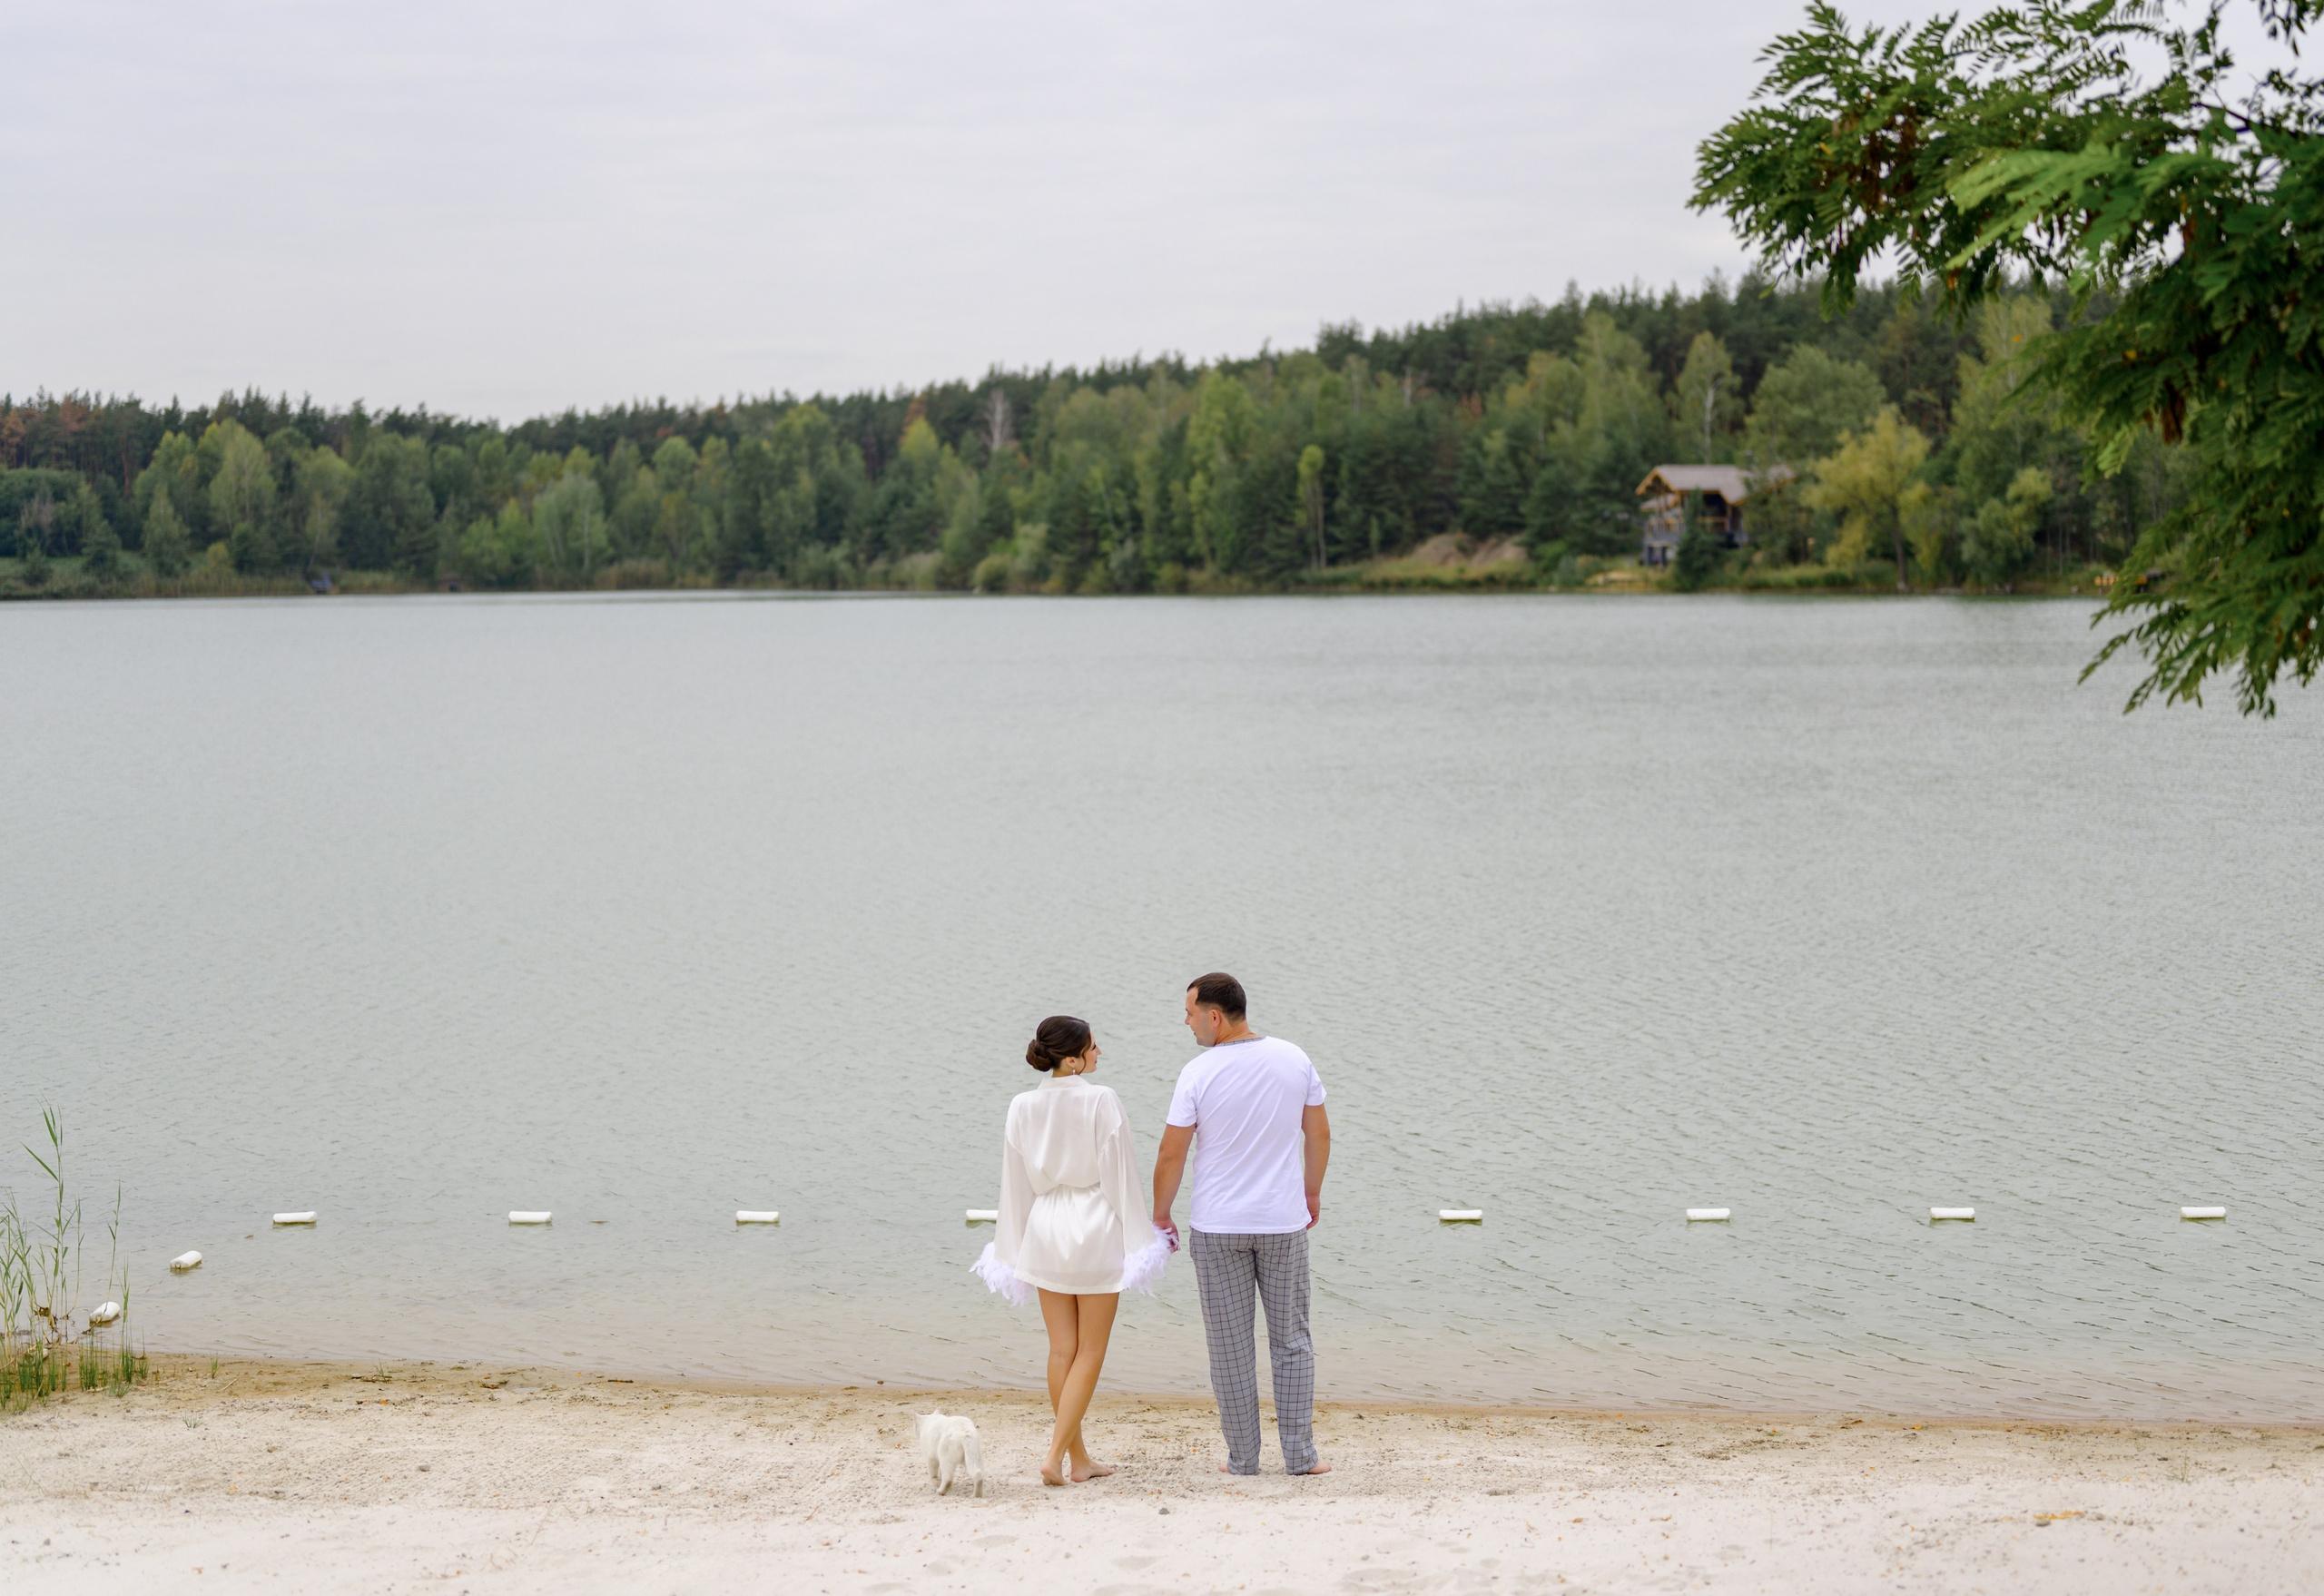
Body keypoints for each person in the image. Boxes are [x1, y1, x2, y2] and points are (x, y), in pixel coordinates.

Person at [972, 1014, 1170, 1486]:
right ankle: (1055, 1455)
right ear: (1073, 1059)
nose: (1100, 1053)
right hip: (1095, 1226)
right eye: (1094, 1046)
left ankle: (1078, 1459)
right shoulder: (1102, 1099)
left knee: (1062, 1349)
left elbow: (1014, 1185)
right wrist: (1142, 1240)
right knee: (1091, 1349)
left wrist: (1011, 1249)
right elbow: (1121, 1177)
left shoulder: (1021, 1105)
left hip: (1045, 1227)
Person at [1151, 973, 1333, 1477]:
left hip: (1218, 1227)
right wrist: (1311, 1192)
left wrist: (1161, 1214)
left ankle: (1243, 1459)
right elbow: (1319, 1134)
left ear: (1214, 1017)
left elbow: (1171, 1154)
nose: (1186, 1022)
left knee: (1230, 1348)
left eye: (1190, 1013)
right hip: (1282, 1223)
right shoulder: (1294, 1058)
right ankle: (1300, 1457)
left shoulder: (1197, 1072)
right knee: (1292, 1341)